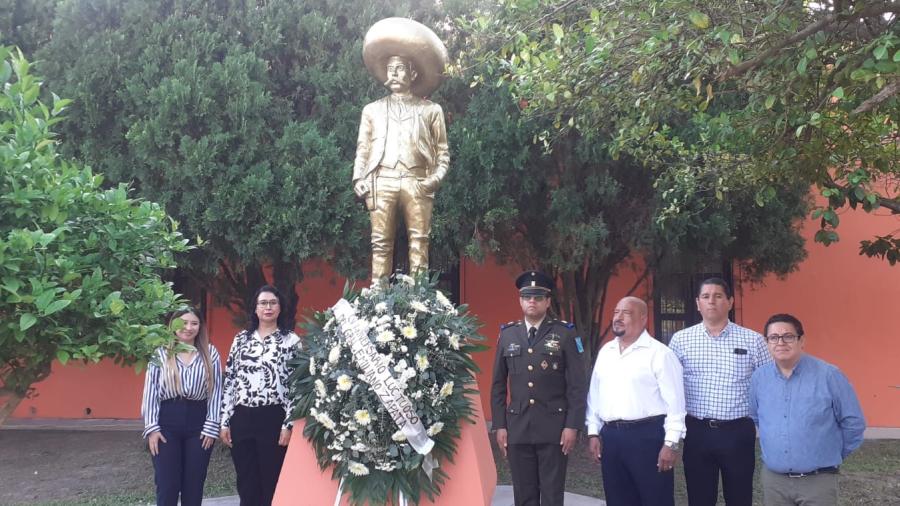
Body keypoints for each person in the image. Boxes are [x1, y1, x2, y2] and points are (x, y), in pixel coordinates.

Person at [353, 18, 450, 280]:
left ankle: (420, 299)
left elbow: (442, 153)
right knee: (380, 244)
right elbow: (363, 148)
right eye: (389, 69)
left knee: (420, 241)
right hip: (381, 180)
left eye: (399, 69)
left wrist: (433, 180)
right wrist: (359, 178)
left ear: (413, 74)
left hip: (417, 180)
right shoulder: (372, 110)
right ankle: (378, 300)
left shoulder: (431, 110)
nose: (393, 74)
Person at [668, 277, 770, 506]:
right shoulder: (681, 340)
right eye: (705, 296)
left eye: (718, 296)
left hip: (737, 432)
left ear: (730, 301)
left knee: (740, 496)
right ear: (697, 303)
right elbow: (669, 386)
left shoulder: (753, 340)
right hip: (696, 431)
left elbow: (769, 384)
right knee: (699, 497)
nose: (711, 301)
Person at [490, 270, 588, 506]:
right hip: (518, 427)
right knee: (523, 494)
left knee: (552, 494)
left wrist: (572, 426)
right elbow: (497, 386)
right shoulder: (507, 335)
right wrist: (500, 425)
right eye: (527, 297)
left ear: (547, 301)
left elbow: (577, 385)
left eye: (537, 297)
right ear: (520, 300)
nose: (531, 301)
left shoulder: (565, 333)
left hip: (553, 427)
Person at [750, 313, 865, 506]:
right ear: (767, 342)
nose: (781, 342)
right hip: (774, 482)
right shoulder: (759, 378)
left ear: (801, 340)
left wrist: (831, 454)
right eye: (774, 337)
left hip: (818, 481)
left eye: (788, 336)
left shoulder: (829, 375)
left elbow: (853, 423)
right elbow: (756, 417)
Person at [586, 296, 686, 506]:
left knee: (655, 499)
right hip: (611, 439)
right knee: (618, 499)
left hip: (647, 438)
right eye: (616, 312)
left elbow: (675, 404)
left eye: (627, 313)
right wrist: (593, 431)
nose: (618, 317)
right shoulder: (606, 352)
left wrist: (670, 443)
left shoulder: (660, 354)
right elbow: (595, 395)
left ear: (643, 319)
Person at [220, 285, 301, 506]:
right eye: (263, 303)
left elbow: (297, 385)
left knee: (271, 479)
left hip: (273, 417)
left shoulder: (291, 341)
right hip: (242, 417)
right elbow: (231, 380)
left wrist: (288, 424)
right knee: (246, 481)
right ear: (255, 309)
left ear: (280, 307)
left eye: (273, 302)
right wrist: (225, 421)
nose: (268, 307)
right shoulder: (241, 340)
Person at [141, 307, 223, 506]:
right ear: (173, 325)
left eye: (194, 323)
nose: (188, 328)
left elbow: (216, 392)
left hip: (199, 423)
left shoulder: (210, 353)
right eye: (183, 323)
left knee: (194, 484)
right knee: (167, 484)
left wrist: (212, 427)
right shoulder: (160, 353)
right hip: (166, 423)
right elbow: (150, 392)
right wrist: (152, 428)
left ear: (200, 326)